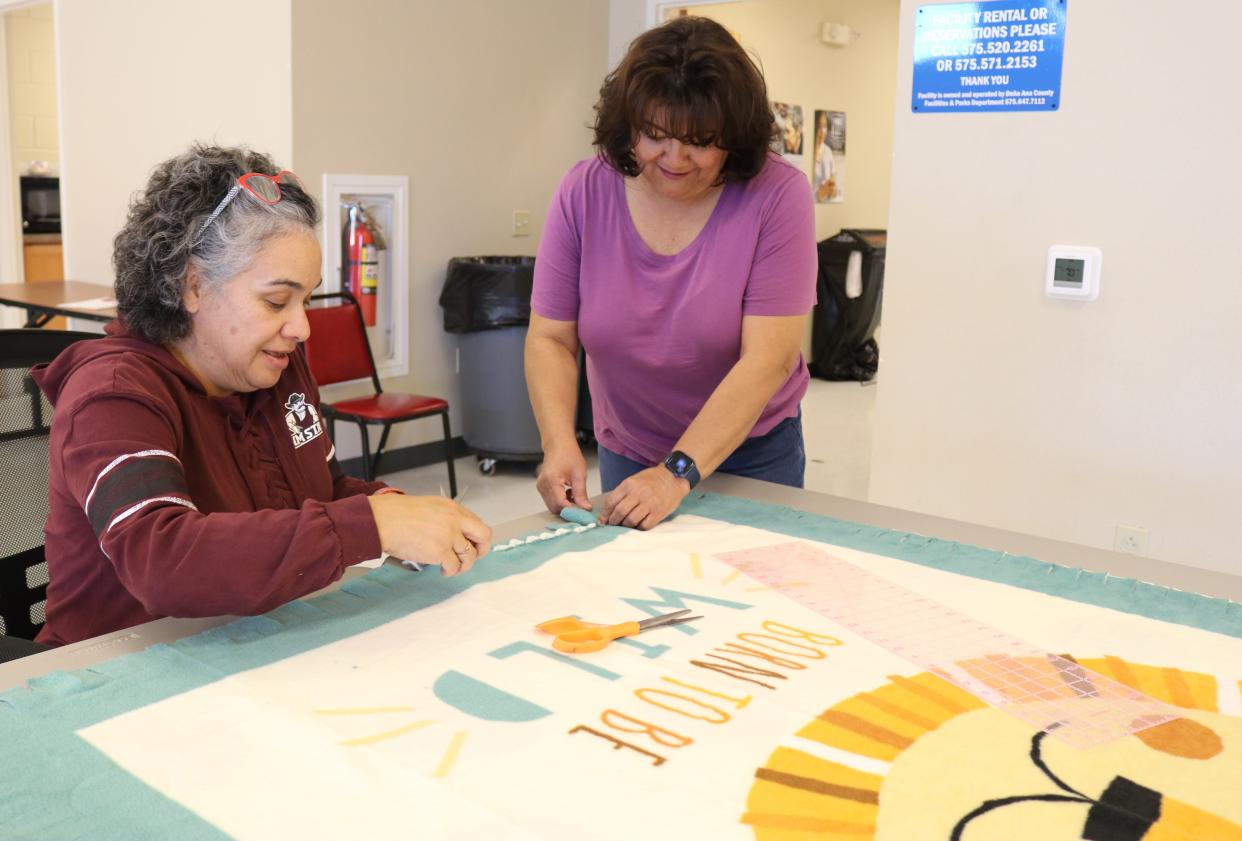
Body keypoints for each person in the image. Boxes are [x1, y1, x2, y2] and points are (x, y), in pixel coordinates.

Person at [32, 144, 491, 646]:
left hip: (245, 643)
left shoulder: (273, 366)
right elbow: (161, 562)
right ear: (192, 287)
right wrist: (373, 524)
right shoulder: (113, 394)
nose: (300, 327)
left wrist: (400, 511)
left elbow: (323, 489)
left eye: (306, 299)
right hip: (110, 674)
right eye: (276, 301)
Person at [525, 16, 817, 531]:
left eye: (699, 141)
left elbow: (768, 360)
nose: (674, 159)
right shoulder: (584, 192)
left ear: (733, 138)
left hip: (752, 452)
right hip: (630, 447)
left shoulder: (778, 196)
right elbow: (550, 337)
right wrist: (558, 443)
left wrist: (676, 473)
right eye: (655, 136)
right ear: (628, 125)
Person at [813, 111, 837, 202]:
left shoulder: (828, 151)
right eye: (819, 126)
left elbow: (833, 176)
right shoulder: (809, 153)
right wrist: (818, 194)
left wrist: (832, 189)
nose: (823, 131)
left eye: (825, 126)